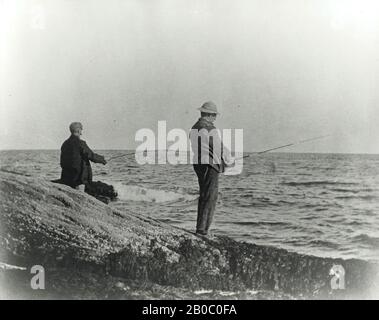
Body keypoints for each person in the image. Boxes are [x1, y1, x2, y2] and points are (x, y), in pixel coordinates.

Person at [189, 101, 235, 237]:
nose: (215, 118)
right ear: (208, 115)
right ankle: (203, 230)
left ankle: (200, 228)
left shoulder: (194, 128)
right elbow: (219, 147)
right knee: (210, 196)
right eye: (214, 115)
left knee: (203, 195)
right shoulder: (210, 129)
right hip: (210, 165)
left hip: (198, 164)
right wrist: (229, 159)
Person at [60, 122, 107, 190]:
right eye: (81, 130)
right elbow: (91, 155)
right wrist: (102, 160)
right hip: (79, 179)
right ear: (78, 130)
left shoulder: (65, 144)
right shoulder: (81, 143)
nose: (81, 132)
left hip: (67, 178)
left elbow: (62, 163)